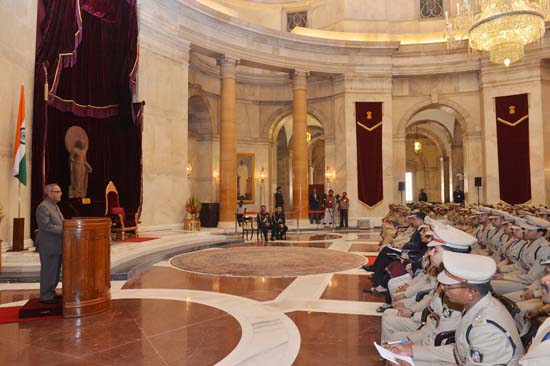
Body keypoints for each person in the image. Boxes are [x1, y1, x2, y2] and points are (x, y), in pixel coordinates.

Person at [388, 251, 524, 366]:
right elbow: (459, 351)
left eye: (449, 287)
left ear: (471, 292)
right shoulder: (476, 306)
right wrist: (412, 351)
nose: (444, 289)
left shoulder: (487, 329)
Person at [36, 183, 65, 304]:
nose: (60, 194)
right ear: (49, 193)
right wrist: (66, 231)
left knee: (55, 270)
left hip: (57, 245)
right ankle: (45, 295)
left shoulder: (54, 206)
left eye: (60, 192)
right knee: (49, 270)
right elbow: (46, 226)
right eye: (57, 192)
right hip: (49, 245)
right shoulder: (43, 207)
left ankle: (51, 292)